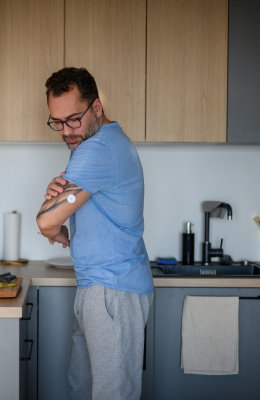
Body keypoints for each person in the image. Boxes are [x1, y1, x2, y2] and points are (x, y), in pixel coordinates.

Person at [36, 67, 154, 400]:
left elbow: (45, 222)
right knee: (84, 387)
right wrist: (56, 207)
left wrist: (53, 220)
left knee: (111, 394)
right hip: (98, 287)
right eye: (56, 122)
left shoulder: (98, 149)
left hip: (112, 290)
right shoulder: (101, 142)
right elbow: (59, 212)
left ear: (97, 108)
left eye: (73, 119)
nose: (66, 131)